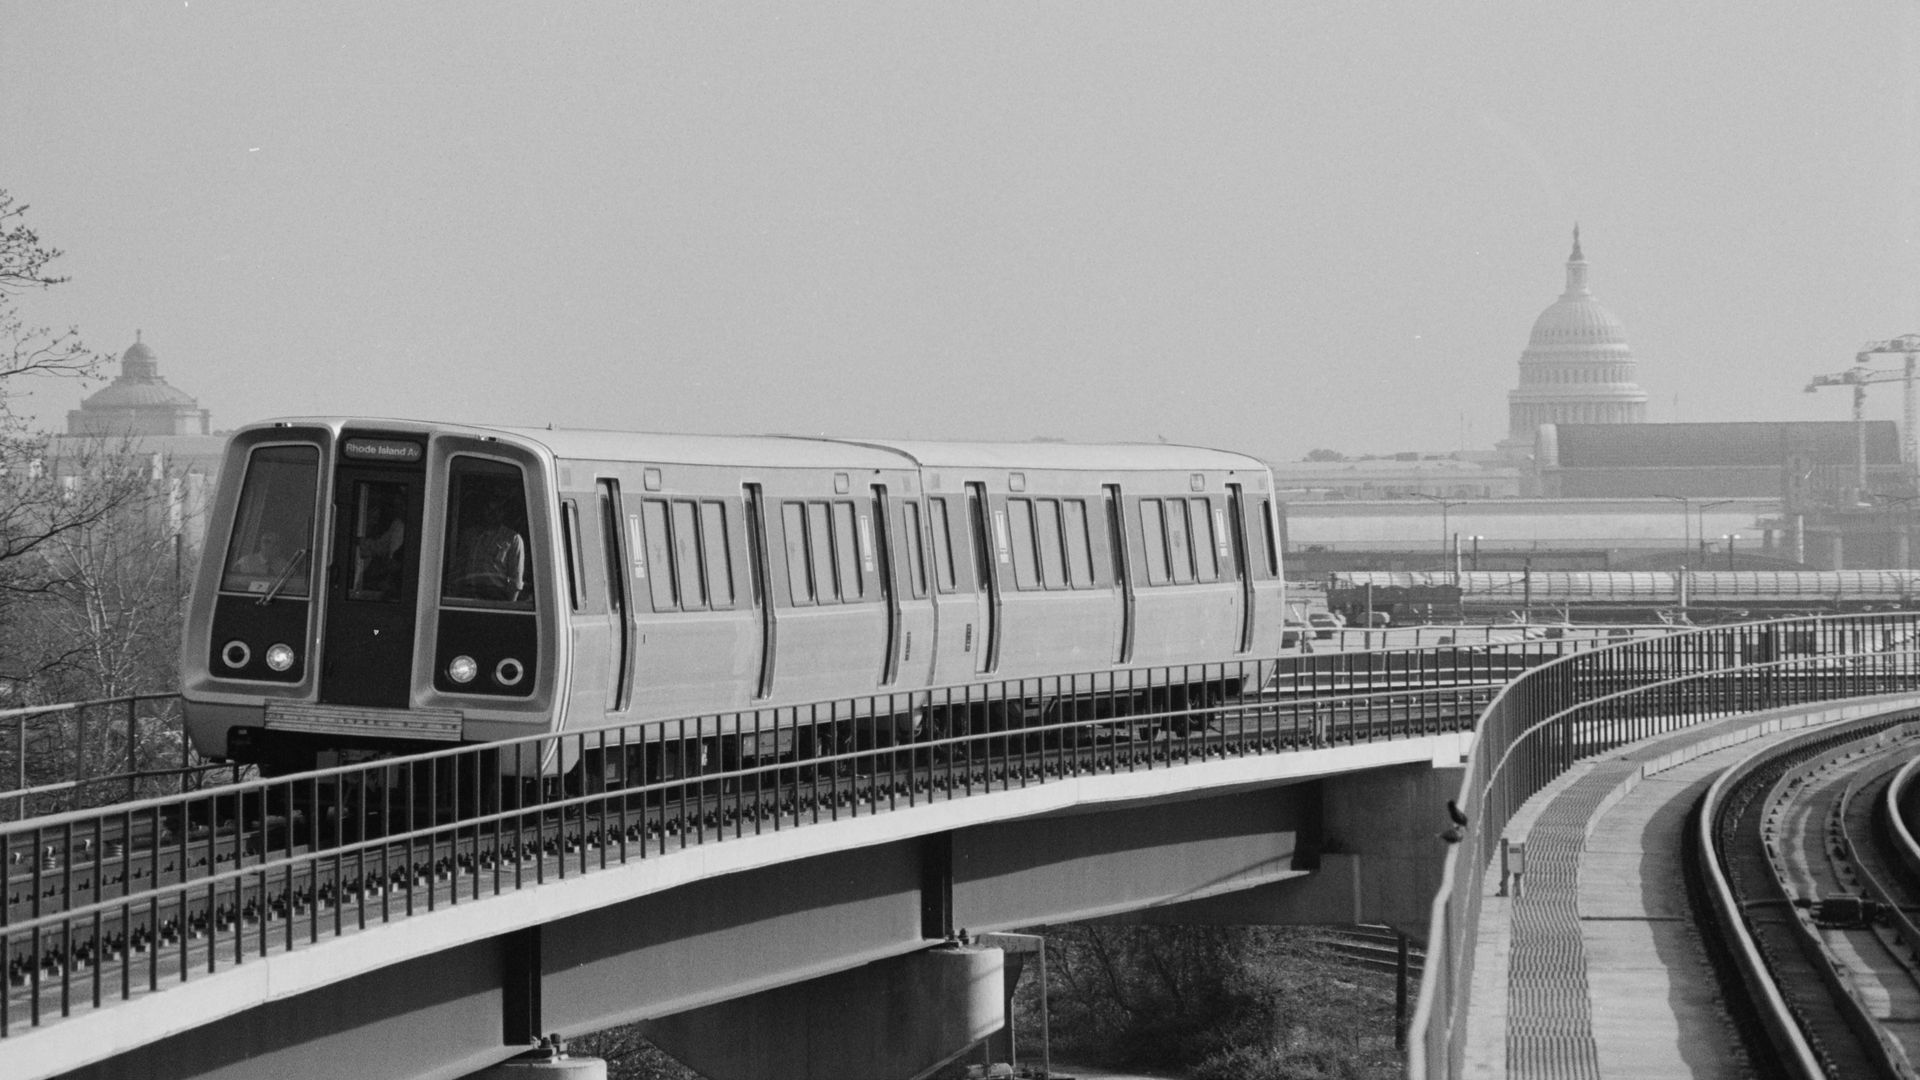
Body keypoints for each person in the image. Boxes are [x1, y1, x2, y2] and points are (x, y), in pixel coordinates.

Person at [454, 492, 525, 601]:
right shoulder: (470, 535)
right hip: (468, 595)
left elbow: (516, 580)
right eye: (489, 509)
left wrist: (509, 609)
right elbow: (459, 569)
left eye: (497, 510)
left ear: (503, 512)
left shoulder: (513, 538)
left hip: (495, 597)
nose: (492, 514)